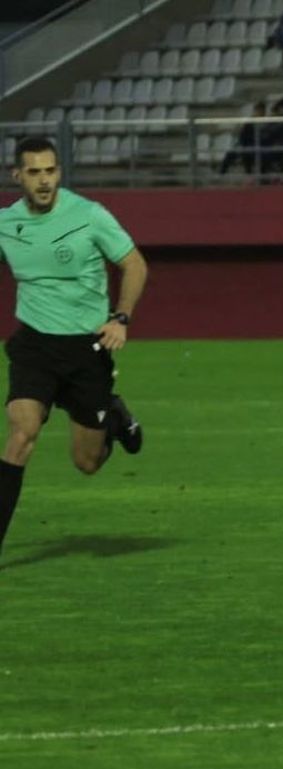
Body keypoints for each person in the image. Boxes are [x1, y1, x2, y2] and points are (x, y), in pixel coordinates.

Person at [0, 138, 147, 562]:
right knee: (21, 434)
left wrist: (121, 317)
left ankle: (113, 416)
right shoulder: (7, 224)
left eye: (50, 171)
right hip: (34, 346)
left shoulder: (89, 215)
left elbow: (134, 264)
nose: (44, 180)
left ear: (59, 173)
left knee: (87, 463)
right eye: (34, 172)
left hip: (86, 349)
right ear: (18, 177)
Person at [218, 100, 267, 175]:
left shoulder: (266, 122)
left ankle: (250, 173)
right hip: (246, 143)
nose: (258, 112)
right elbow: (243, 135)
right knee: (231, 153)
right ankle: (221, 173)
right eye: (257, 110)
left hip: (258, 145)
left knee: (246, 153)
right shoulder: (250, 123)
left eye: (261, 111)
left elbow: (265, 136)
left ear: (264, 111)